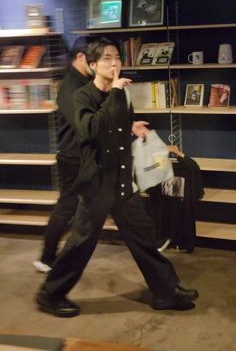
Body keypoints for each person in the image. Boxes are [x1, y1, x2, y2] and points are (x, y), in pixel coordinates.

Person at [36, 38, 199, 317]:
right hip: (97, 184)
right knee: (81, 243)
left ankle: (164, 291)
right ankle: (49, 295)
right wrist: (113, 93)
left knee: (142, 235)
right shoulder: (82, 96)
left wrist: (131, 126)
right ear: (92, 64)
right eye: (107, 59)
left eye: (117, 58)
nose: (114, 63)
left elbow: (116, 128)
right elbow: (91, 129)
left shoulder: (121, 93)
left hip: (122, 179)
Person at [33, 36, 96, 273]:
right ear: (80, 57)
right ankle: (47, 257)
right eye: (94, 59)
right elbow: (83, 124)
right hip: (73, 156)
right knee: (67, 206)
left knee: (77, 205)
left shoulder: (82, 81)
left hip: (83, 155)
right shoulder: (72, 86)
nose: (96, 64)